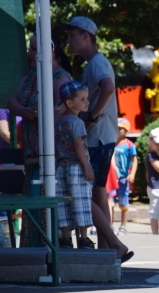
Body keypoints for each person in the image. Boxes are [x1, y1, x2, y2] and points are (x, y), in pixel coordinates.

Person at [66, 16, 132, 263]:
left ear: (85, 36)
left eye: (72, 35)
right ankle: (107, 248)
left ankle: (111, 246)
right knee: (98, 192)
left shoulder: (96, 63)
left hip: (98, 137)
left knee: (90, 190)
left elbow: (107, 87)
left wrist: (91, 115)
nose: (69, 41)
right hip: (103, 136)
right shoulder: (94, 63)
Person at [7, 34, 73, 247]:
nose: (29, 53)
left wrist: (44, 138)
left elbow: (62, 108)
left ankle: (47, 249)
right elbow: (12, 100)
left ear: (50, 50)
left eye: (34, 49)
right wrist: (23, 111)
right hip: (32, 152)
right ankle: (32, 251)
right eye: (30, 48)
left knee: (42, 202)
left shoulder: (59, 77)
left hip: (51, 154)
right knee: (32, 201)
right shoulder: (30, 75)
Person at [54, 81, 94, 249]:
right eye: (83, 99)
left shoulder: (58, 122)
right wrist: (87, 166)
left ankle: (65, 237)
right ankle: (84, 238)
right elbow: (78, 144)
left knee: (62, 201)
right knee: (81, 201)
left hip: (60, 166)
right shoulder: (77, 123)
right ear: (70, 103)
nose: (87, 102)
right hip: (76, 166)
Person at [113, 118, 137, 236]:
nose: (117, 131)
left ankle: (123, 226)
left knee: (123, 202)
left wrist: (132, 173)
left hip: (123, 177)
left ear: (126, 131)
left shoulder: (129, 145)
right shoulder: (112, 143)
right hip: (113, 178)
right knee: (110, 202)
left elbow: (134, 160)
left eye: (120, 129)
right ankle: (110, 225)